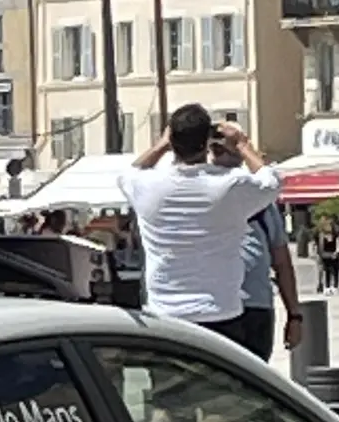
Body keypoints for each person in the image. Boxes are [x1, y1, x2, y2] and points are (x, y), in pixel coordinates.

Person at [117, 104, 282, 344]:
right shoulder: (229, 185)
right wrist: (242, 145)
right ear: (206, 142)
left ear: (172, 140)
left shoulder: (148, 186)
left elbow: (129, 172)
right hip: (221, 311)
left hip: (165, 313)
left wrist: (162, 144)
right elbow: (272, 182)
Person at [212, 144, 303, 361]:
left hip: (255, 307)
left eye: (229, 147)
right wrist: (241, 145)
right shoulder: (200, 197)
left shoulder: (262, 204)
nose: (224, 151)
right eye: (217, 148)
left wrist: (294, 316)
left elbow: (282, 263)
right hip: (215, 307)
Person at [314, 218, 339, 294]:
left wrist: (336, 252)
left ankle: (333, 286)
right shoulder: (322, 235)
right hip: (326, 255)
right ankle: (328, 287)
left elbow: (338, 244)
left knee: (334, 270)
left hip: (331, 255)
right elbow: (319, 246)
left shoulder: (335, 234)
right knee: (328, 271)